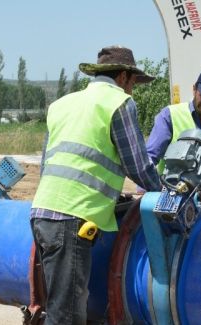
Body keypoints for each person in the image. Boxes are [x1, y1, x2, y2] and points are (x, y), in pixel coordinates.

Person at [29, 45, 161, 324]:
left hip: (43, 213)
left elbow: (48, 165)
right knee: (66, 316)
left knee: (57, 305)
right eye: (134, 83)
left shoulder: (62, 104)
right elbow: (137, 164)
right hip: (73, 220)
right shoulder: (118, 103)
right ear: (124, 76)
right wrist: (164, 193)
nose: (133, 89)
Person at [146, 68, 201, 202]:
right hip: (168, 198)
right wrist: (146, 194)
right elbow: (150, 158)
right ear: (194, 89)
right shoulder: (170, 116)